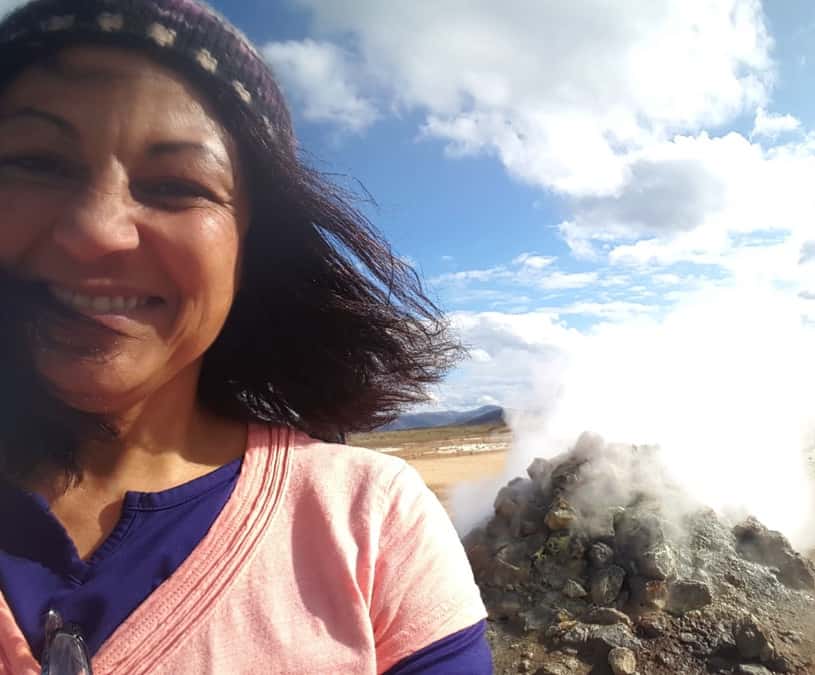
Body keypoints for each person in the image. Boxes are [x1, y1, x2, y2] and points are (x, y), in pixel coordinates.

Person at [0, 1, 490, 673]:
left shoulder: (371, 525)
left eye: (175, 185)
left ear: (247, 248)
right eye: (37, 162)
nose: (96, 230)